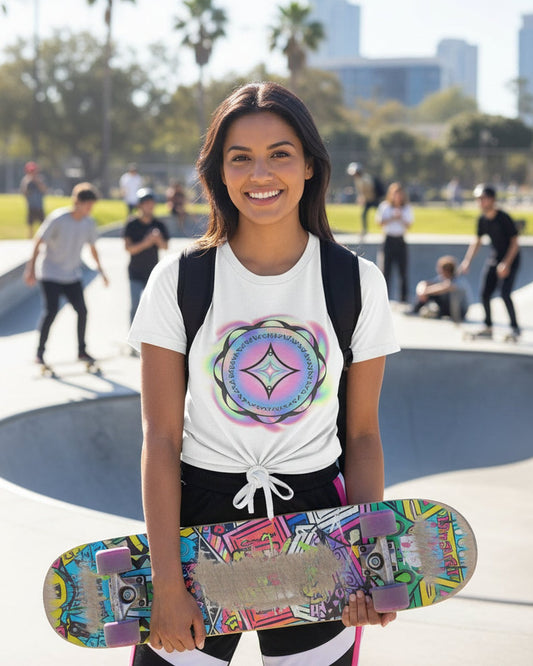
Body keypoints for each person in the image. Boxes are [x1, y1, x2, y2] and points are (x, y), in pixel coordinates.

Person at [128, 82, 399, 666]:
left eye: (279, 152)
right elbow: (161, 438)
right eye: (240, 157)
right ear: (219, 173)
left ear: (308, 166)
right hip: (198, 517)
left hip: (317, 523)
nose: (261, 172)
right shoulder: (179, 281)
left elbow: (363, 436)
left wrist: (366, 556)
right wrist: (167, 585)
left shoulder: (355, 282)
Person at [24, 182, 109, 366]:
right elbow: (38, 242)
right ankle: (40, 353)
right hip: (50, 274)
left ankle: (81, 351)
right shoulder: (58, 219)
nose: (90, 209)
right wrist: (30, 269)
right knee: (51, 311)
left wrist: (101, 270)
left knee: (83, 312)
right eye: (88, 205)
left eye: (92, 205)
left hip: (71, 275)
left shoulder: (88, 223)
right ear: (77, 202)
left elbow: (93, 248)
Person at [459, 184, 521, 339]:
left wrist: (506, 263)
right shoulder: (482, 219)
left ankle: (515, 328)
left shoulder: (503, 218)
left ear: (491, 200)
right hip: (495, 258)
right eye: (478, 199)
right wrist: (467, 261)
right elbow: (477, 241)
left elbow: (515, 243)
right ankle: (488, 326)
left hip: (511, 259)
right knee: (485, 293)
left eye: (482, 199)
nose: (479, 202)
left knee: (505, 294)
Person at [124, 187, 169, 323]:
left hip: (153, 272)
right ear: (140, 205)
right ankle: (133, 339)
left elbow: (165, 246)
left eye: (152, 203)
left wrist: (158, 239)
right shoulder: (131, 224)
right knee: (135, 305)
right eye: (146, 203)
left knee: (152, 306)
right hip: (135, 272)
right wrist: (146, 242)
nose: (150, 206)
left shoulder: (159, 224)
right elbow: (129, 249)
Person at [376, 182, 413, 303]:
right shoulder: (385, 207)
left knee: (403, 271)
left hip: (400, 240)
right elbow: (379, 222)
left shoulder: (406, 208)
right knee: (386, 271)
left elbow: (409, 224)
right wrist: (392, 217)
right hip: (388, 240)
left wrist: (400, 216)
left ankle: (403, 298)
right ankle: (384, 298)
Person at [410, 255, 470, 322]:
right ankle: (415, 310)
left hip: (459, 311)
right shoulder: (442, 278)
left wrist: (426, 292)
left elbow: (446, 287)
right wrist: (421, 291)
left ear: (446, 270)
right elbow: (425, 283)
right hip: (448, 307)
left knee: (433, 292)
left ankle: (435, 312)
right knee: (430, 292)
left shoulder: (458, 280)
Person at [346, 162, 384, 236]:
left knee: (381, 214)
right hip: (367, 201)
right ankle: (365, 230)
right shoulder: (357, 180)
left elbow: (370, 189)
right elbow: (360, 191)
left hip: (374, 200)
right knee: (363, 215)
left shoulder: (366, 178)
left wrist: (364, 197)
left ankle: (384, 228)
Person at [20, 161, 46, 238]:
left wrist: (37, 181)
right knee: (30, 224)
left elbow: (44, 190)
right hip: (31, 205)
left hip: (39, 205)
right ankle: (30, 238)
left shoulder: (40, 179)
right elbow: (24, 193)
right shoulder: (26, 180)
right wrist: (28, 182)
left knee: (43, 224)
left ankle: (42, 238)